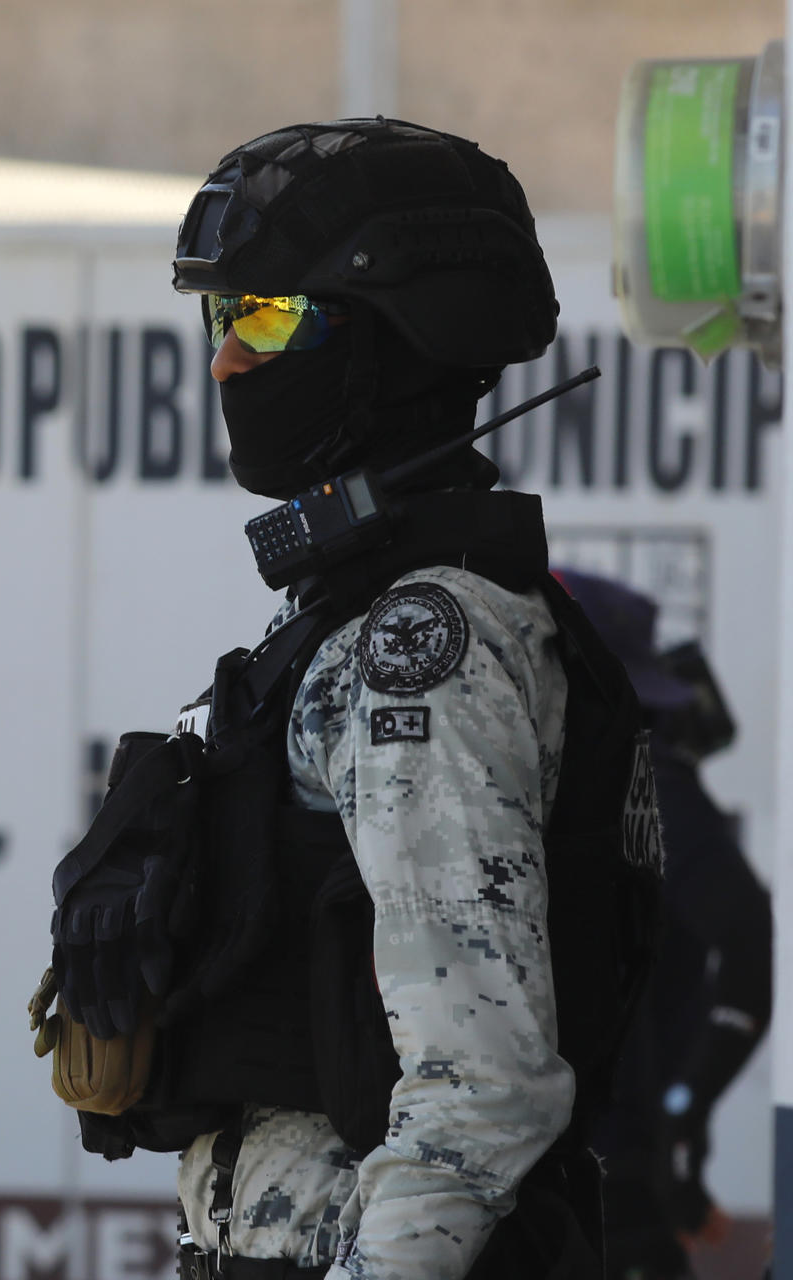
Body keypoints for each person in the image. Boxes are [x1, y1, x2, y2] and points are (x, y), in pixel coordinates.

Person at [40, 118, 661, 1280]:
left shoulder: (427, 644)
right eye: (223, 318)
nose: (228, 360)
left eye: (270, 317)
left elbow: (481, 1087)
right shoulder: (343, 617)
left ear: (406, 338)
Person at [554, 570, 771, 1280]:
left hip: (611, 1185)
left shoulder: (648, 782)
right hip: (515, 1178)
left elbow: (743, 928)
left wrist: (684, 1117)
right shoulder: (505, 776)